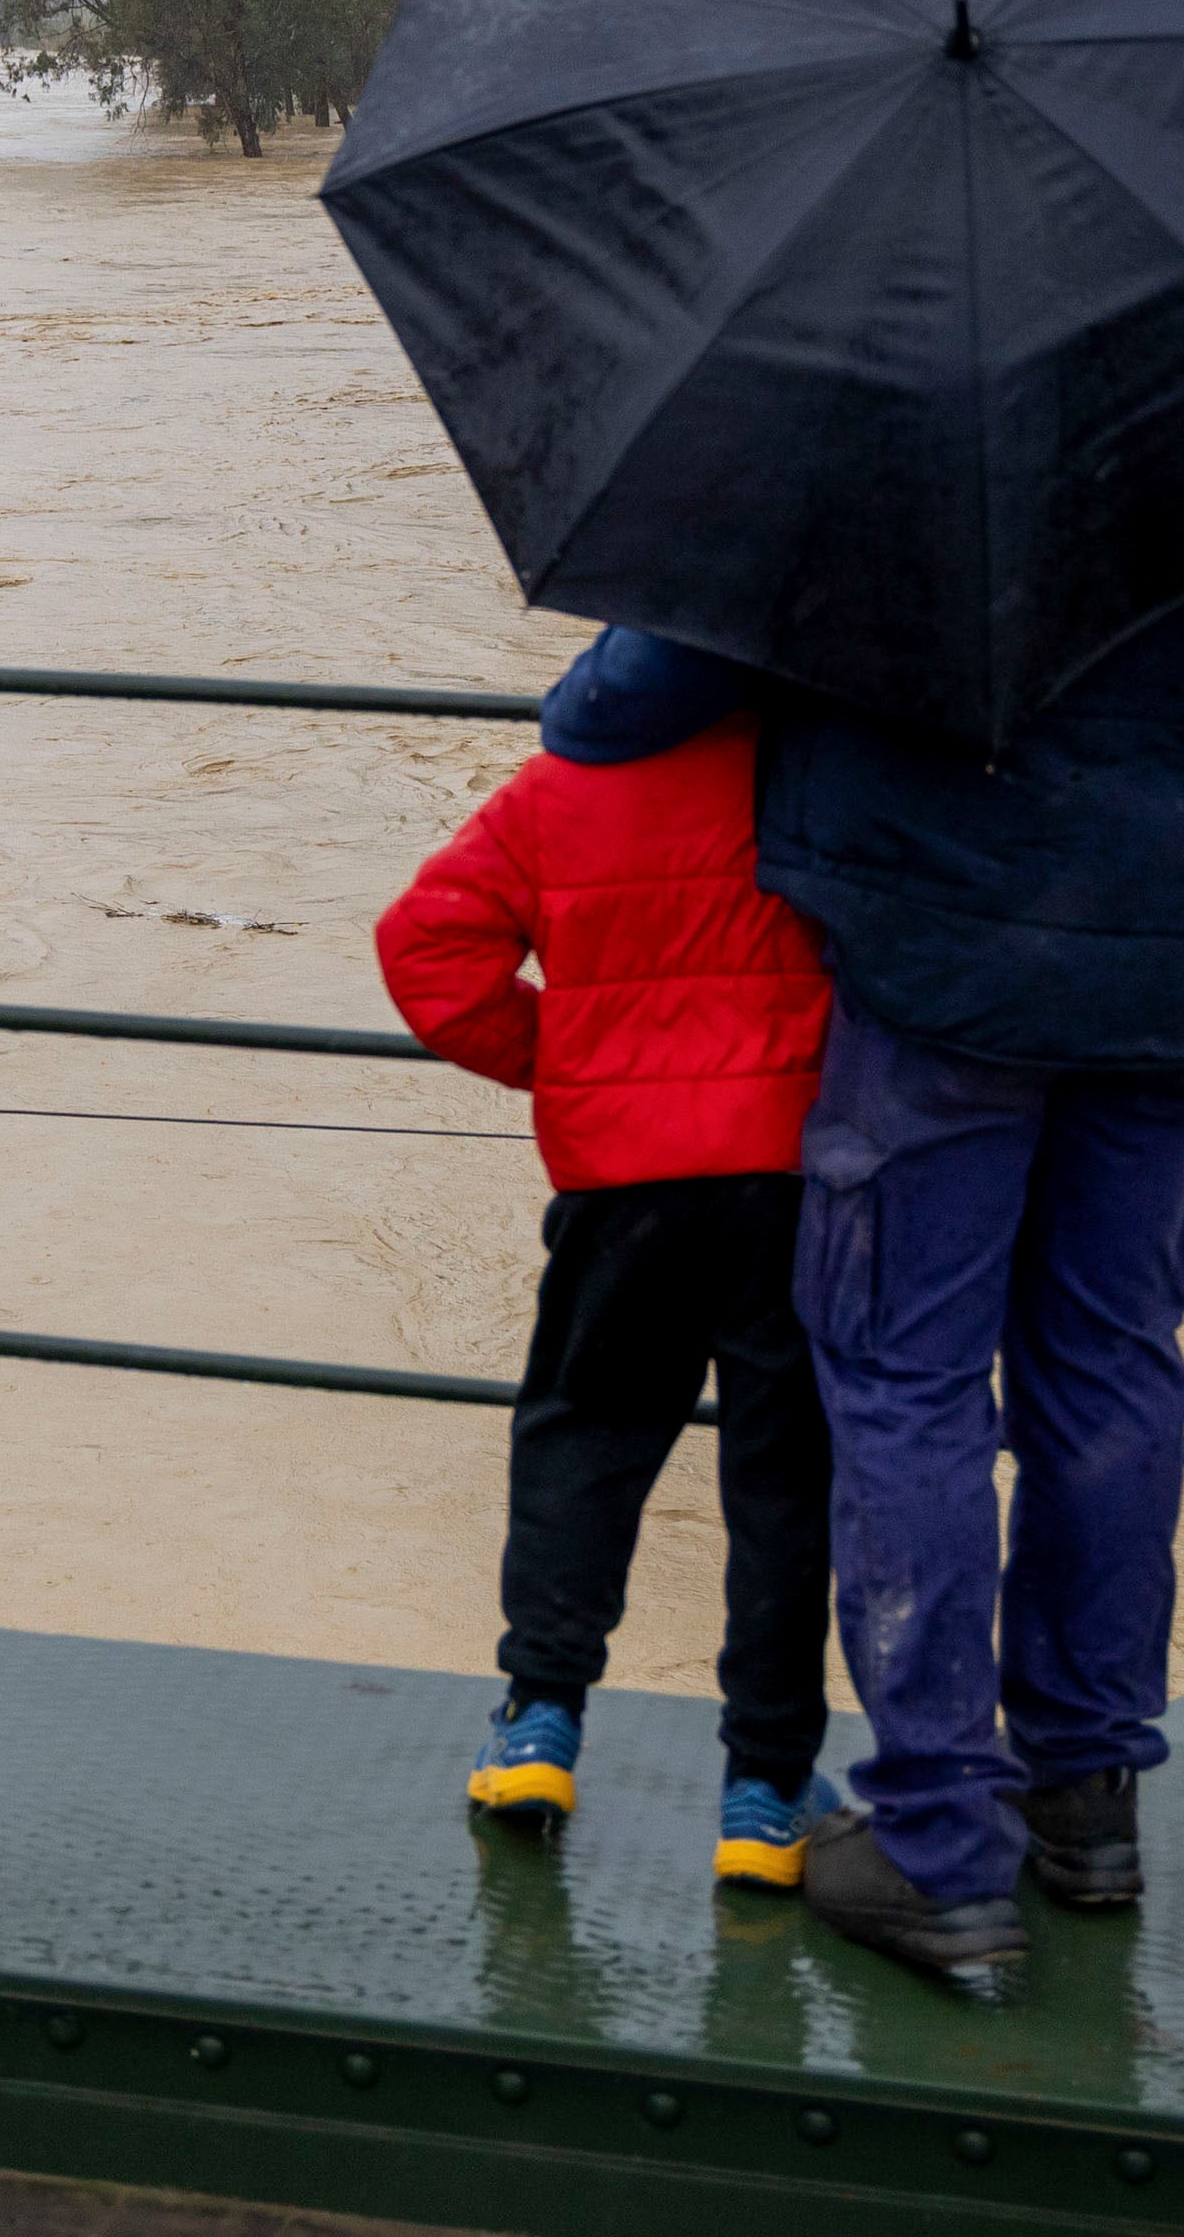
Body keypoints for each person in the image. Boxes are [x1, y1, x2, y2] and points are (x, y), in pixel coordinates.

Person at [540, 563, 1184, 1981]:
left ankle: (933, 1845)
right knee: (1109, 1368)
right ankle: (1087, 1802)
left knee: (905, 1379)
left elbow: (619, 706)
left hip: (947, 965)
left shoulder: (885, 403)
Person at [375, 649, 848, 1890]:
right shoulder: (819, 783)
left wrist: (572, 1066)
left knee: (584, 1433)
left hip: (620, 1185)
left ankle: (539, 1722)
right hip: (789, 1180)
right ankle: (764, 1791)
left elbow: (426, 950)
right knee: (785, 1481)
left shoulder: (556, 787)